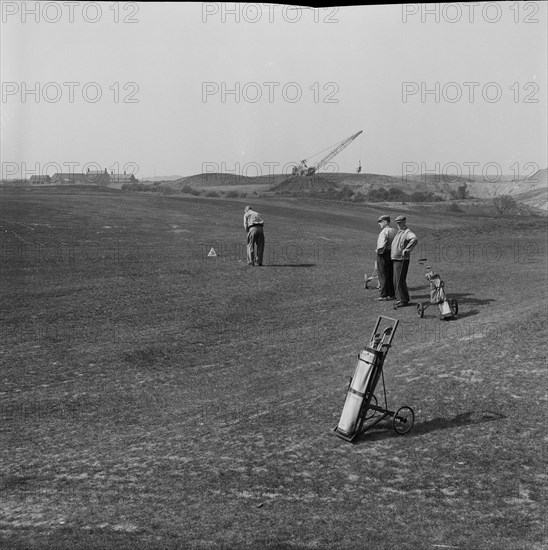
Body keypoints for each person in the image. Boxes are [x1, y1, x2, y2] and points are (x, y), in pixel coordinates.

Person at [391, 215, 418, 307]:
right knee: (396, 279)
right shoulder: (400, 232)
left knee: (399, 280)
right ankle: (402, 298)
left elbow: (414, 239)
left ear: (404, 222)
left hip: (401, 259)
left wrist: (407, 249)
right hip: (396, 259)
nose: (398, 224)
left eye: (400, 222)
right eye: (397, 223)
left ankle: (403, 300)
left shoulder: (407, 232)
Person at [375, 215, 397, 300]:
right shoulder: (395, 231)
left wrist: (378, 251)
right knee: (391, 274)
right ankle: (392, 294)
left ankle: (384, 295)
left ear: (385, 221)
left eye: (380, 222)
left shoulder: (384, 232)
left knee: (383, 274)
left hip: (383, 255)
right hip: (393, 254)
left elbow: (381, 246)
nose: (379, 224)